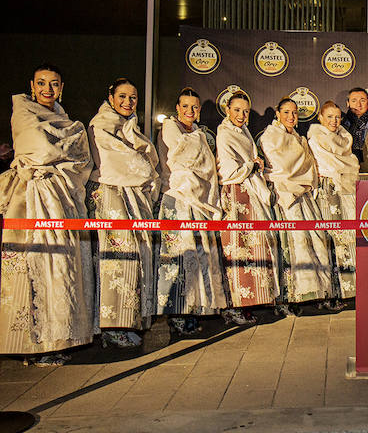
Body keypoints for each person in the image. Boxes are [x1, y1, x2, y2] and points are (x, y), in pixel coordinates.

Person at [0, 64, 94, 365]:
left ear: (62, 87)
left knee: (63, 267)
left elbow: (81, 156)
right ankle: (30, 343)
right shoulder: (23, 112)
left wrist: (61, 151)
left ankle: (57, 338)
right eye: (41, 83)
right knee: (33, 266)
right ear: (32, 84)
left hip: (62, 196)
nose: (47, 90)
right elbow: (39, 149)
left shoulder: (65, 119)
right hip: (30, 196)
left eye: (54, 84)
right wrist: (61, 150)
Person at [86, 78, 160, 348]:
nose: (128, 102)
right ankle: (111, 326)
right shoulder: (101, 125)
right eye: (123, 96)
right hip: (111, 196)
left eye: (133, 97)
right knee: (116, 260)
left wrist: (141, 158)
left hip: (133, 197)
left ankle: (130, 321)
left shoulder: (132, 128)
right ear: (111, 96)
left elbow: (148, 161)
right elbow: (127, 162)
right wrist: (141, 158)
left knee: (137, 257)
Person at [156, 87, 227, 334]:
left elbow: (205, 166)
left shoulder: (197, 132)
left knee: (199, 257)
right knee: (178, 258)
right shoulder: (170, 128)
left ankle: (195, 308)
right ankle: (176, 314)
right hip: (178, 198)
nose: (190, 111)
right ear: (177, 108)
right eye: (185, 106)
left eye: (194, 107)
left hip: (198, 200)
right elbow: (184, 160)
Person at [260, 98, 337, 311]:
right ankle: (290, 298)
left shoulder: (297, 137)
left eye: (294, 112)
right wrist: (301, 168)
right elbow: (283, 166)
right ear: (277, 113)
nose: (291, 117)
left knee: (317, 239)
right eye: (286, 112)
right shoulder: (271, 136)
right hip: (286, 195)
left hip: (303, 194)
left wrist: (303, 170)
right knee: (295, 244)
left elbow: (308, 165)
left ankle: (320, 292)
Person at [217, 92, 279, 325]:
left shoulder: (243, 132)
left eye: (245, 111)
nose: (241, 115)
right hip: (236, 195)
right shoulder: (224, 134)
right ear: (227, 110)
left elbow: (249, 162)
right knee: (238, 250)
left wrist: (255, 164)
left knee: (254, 249)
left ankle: (251, 302)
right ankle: (234, 306)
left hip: (250, 193)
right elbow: (230, 171)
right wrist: (252, 165)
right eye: (237, 110)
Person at [307, 101, 360, 303]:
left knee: (349, 238)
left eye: (337, 116)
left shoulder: (344, 138)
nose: (334, 121)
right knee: (331, 240)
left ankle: (351, 289)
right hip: (327, 191)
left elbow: (351, 163)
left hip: (346, 190)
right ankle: (332, 293)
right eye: (329, 116)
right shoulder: (316, 138)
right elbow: (329, 165)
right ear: (320, 117)